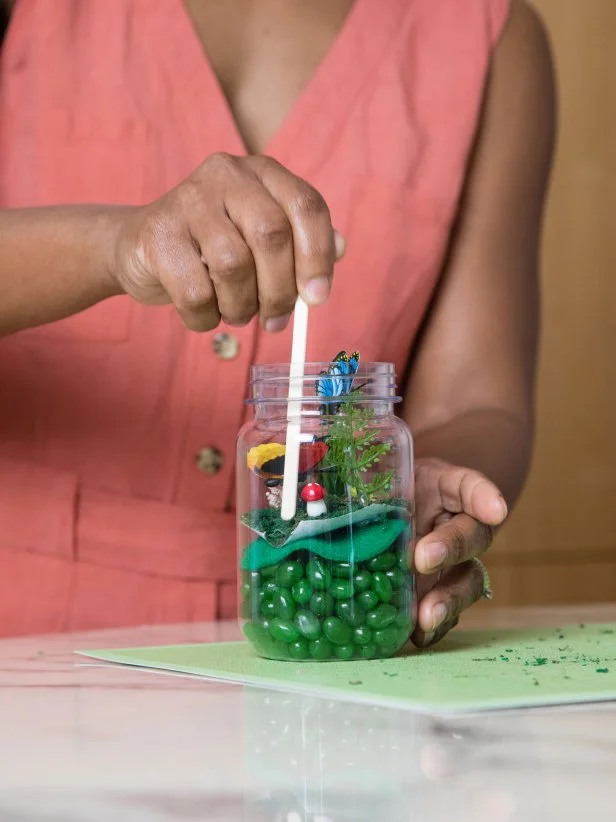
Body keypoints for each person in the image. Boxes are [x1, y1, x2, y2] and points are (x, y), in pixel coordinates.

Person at [0, 0, 555, 643]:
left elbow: (479, 396)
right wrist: (113, 246)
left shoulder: (484, 32)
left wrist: (416, 486)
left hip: (330, 626)